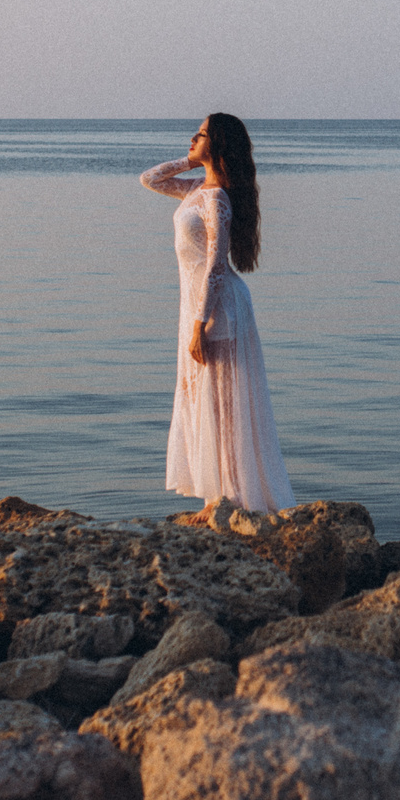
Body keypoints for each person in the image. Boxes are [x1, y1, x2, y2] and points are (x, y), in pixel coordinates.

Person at [138, 114, 296, 514]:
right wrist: (192, 160)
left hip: (217, 310)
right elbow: (149, 178)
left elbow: (216, 264)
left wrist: (200, 324)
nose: (192, 137)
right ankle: (219, 498)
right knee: (202, 399)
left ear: (220, 143)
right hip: (197, 308)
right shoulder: (195, 189)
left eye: (202, 134)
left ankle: (237, 500)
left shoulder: (217, 198)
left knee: (225, 404)